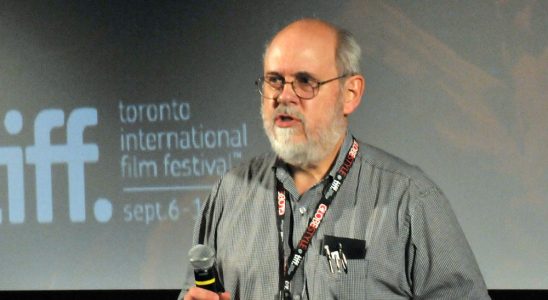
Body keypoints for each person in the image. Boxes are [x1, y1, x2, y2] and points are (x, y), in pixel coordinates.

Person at [182, 18, 490, 300]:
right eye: (274, 80)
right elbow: (193, 292)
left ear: (350, 93)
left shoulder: (409, 198)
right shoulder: (229, 193)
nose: (284, 96)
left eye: (305, 81)